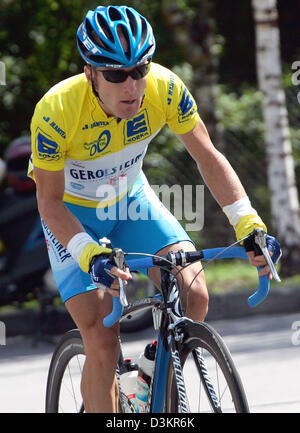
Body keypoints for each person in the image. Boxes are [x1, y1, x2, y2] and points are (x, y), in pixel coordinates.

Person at [28, 5, 281, 412]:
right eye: (115, 74)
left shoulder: (165, 88)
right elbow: (49, 202)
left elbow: (208, 157)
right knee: (102, 336)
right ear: (91, 73)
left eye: (139, 70)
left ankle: (150, 376)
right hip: (73, 215)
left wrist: (247, 222)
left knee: (193, 293)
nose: (131, 85)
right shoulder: (57, 110)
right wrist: (88, 253)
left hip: (130, 201)